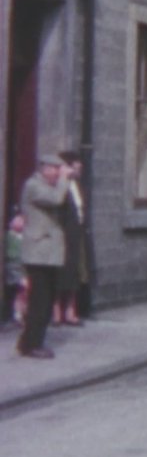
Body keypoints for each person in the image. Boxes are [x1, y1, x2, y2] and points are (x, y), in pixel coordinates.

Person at [16, 154, 71, 359]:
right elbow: (56, 199)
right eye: (55, 169)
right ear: (44, 169)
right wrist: (65, 180)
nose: (58, 173)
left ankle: (28, 342)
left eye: (59, 170)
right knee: (40, 301)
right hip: (38, 253)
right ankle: (32, 344)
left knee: (46, 300)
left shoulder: (47, 185)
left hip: (48, 253)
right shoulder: (33, 185)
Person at [54, 150, 88, 326]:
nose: (79, 165)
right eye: (75, 162)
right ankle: (56, 312)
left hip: (76, 233)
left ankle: (70, 311)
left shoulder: (77, 185)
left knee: (75, 271)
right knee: (61, 271)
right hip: (63, 233)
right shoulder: (60, 185)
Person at [4, 210, 26, 328]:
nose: (21, 222)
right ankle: (16, 313)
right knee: (22, 287)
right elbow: (10, 254)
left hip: (22, 268)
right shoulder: (8, 236)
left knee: (22, 293)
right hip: (13, 268)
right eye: (18, 219)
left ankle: (20, 313)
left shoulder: (24, 237)